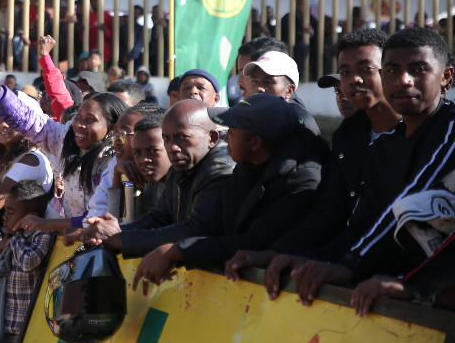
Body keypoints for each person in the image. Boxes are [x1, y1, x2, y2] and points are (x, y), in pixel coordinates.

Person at [286, 27, 455, 309]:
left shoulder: (453, 126)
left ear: (446, 77)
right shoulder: (382, 148)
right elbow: (367, 224)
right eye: (392, 70)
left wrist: (406, 282)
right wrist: (312, 260)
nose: (403, 80)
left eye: (418, 69)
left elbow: (415, 195)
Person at [226, 29, 401, 285]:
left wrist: (349, 266)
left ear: (390, 71)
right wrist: (282, 253)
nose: (353, 80)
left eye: (366, 69)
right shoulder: (347, 135)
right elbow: (330, 211)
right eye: (344, 72)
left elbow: (397, 221)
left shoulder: (419, 134)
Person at [131, 94, 327, 290]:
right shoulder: (246, 168)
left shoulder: (302, 180)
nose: (226, 136)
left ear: (255, 143)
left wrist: (177, 251)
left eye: (232, 130)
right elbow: (220, 226)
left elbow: (257, 241)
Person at [0, 51, 127, 230]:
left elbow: (96, 220)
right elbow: (22, 117)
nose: (79, 125)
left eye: (90, 120)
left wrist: (49, 224)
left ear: (112, 129)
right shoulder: (66, 139)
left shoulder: (117, 159)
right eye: (78, 117)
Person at [80, 100, 234, 258]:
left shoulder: (220, 167)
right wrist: (111, 232)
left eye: (183, 137)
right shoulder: (181, 164)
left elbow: (197, 230)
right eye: (167, 139)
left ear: (212, 138)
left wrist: (123, 239)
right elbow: (160, 217)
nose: (173, 147)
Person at [0, 180, 52, 343]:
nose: (5, 217)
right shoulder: (13, 237)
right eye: (5, 211)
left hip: (24, 324)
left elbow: (29, 262)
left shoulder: (43, 235)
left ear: (31, 216)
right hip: (5, 320)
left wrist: (13, 239)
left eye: (10, 212)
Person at [243, 50, 320, 134]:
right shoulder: (251, 116)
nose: (258, 88)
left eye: (269, 82)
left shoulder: (300, 125)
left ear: (289, 90)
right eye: (254, 81)